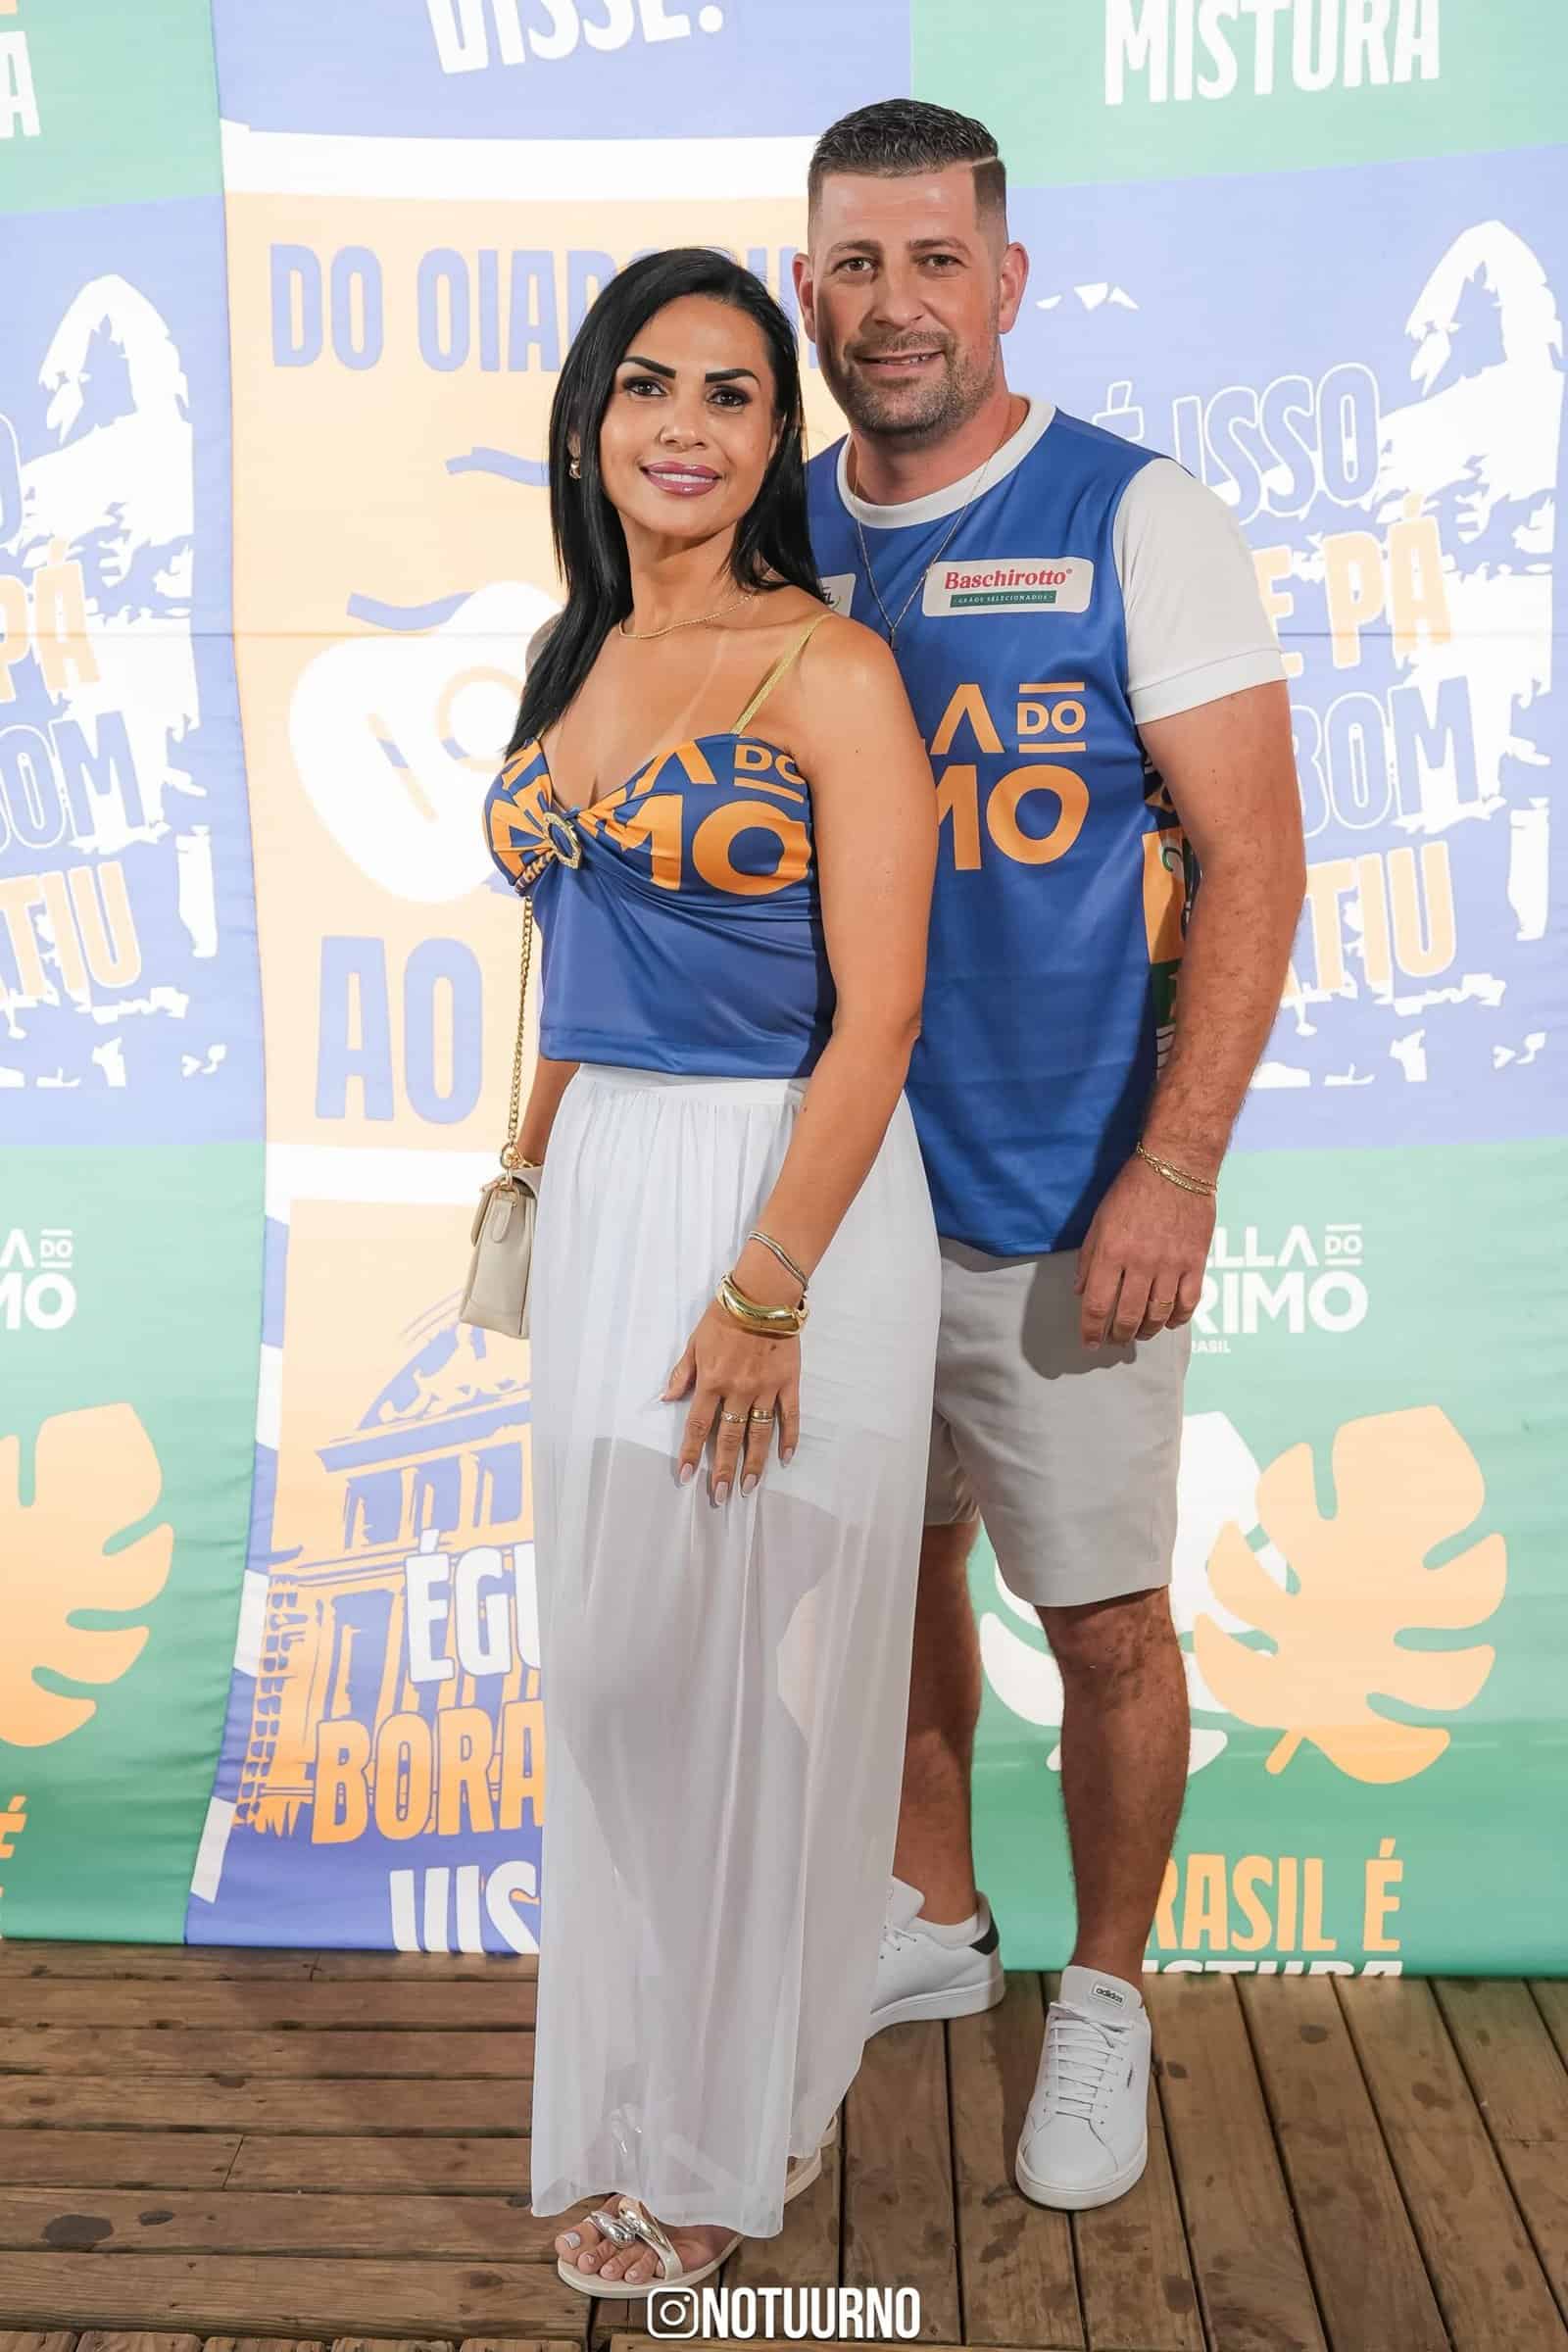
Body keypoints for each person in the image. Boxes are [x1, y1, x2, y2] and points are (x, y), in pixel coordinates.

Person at [797, 101, 1307, 2213]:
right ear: (805, 285)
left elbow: (1254, 859)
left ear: (1006, 282)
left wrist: (1173, 1168)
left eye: (935, 260)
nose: (893, 304)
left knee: (1099, 1621)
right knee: (888, 1575)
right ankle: (933, 1916)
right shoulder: (769, 528)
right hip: (834, 1198)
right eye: (854, 262)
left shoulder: (1132, 512)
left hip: (1055, 1187)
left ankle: (1104, 1992)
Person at [481, 247, 941, 2296]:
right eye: (649, 384)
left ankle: (717, 2138)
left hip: (783, 1190)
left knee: (734, 1678)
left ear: (777, 436)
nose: (685, 425)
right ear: (590, 418)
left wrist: (766, 1289)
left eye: (734, 393)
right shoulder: (569, 647)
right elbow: (568, 949)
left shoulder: (828, 670)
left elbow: (880, 1018)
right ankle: (699, 2066)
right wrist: (525, 1168)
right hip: (608, 1192)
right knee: (621, 1683)